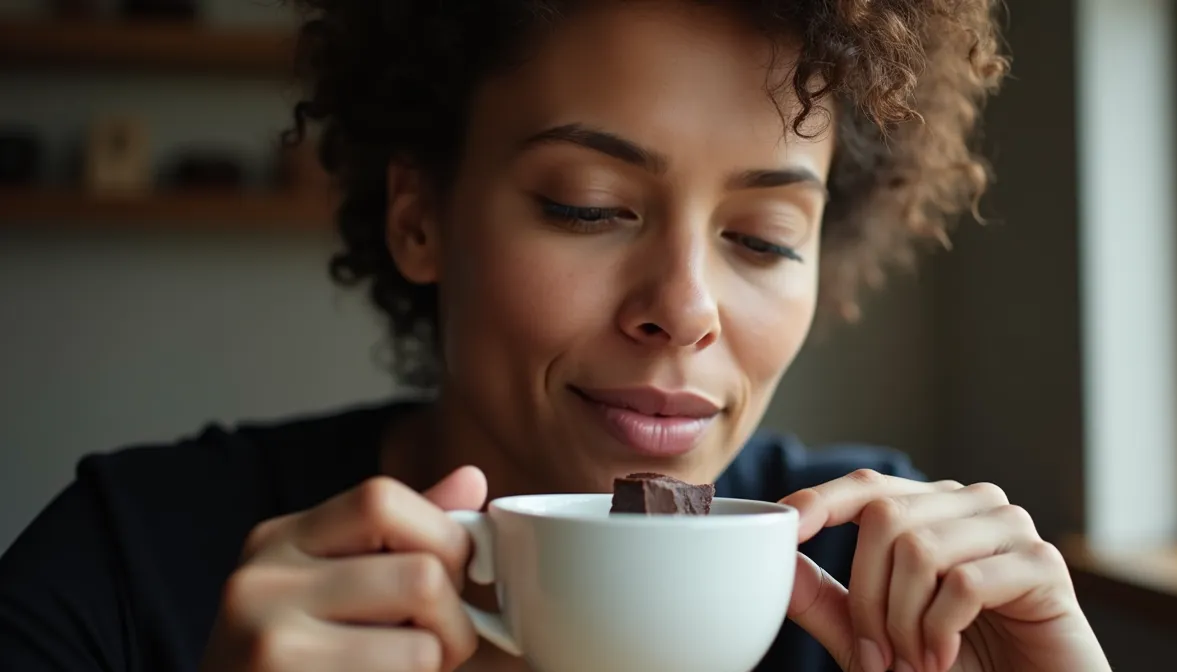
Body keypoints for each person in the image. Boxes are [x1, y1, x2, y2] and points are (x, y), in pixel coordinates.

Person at [0, 1, 1112, 671]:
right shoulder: (125, 565)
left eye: (764, 236)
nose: (683, 308)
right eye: (588, 205)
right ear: (420, 215)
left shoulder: (893, 598)